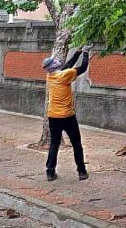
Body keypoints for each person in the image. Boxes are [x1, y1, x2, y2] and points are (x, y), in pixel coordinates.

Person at [41, 44, 91, 181]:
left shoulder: (50, 76)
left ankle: (50, 172)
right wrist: (86, 53)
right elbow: (83, 68)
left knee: (54, 144)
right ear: (55, 64)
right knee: (76, 144)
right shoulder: (65, 75)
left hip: (53, 116)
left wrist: (78, 52)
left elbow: (67, 66)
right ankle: (81, 171)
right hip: (68, 116)